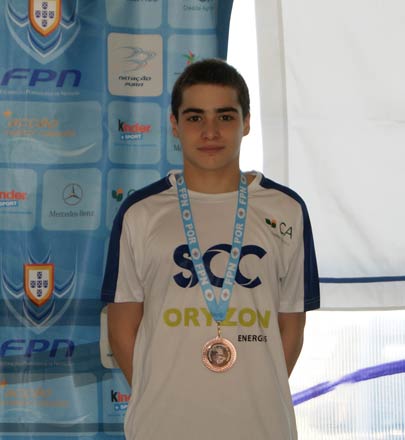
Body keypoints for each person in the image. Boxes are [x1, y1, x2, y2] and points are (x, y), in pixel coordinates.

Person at [101, 58, 320, 440]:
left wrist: (252, 394)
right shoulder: (141, 212)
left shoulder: (286, 209)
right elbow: (122, 330)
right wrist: (161, 396)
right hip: (162, 428)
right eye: (195, 117)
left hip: (261, 427)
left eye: (225, 116)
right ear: (174, 125)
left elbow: (291, 327)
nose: (210, 132)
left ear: (246, 122)